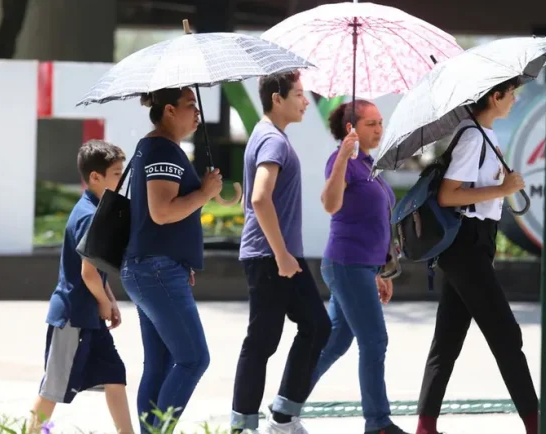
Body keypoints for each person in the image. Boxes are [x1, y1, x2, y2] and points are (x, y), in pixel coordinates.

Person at [415, 78, 538, 434]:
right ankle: (537, 422)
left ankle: (425, 425)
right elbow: (448, 196)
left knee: (449, 337)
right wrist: (503, 187)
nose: (514, 99)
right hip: (466, 245)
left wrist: (502, 185)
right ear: (494, 96)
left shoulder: (485, 135)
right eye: (510, 94)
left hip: (475, 244)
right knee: (506, 334)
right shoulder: (472, 137)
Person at [230, 70, 331, 434]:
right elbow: (259, 197)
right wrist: (282, 255)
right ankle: (244, 426)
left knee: (317, 326)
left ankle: (284, 415)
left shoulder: (269, 136)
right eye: (299, 94)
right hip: (271, 256)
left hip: (279, 255)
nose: (306, 102)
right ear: (277, 98)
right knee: (263, 340)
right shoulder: (272, 140)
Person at [119, 87, 222, 431]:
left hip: (153, 268)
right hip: (156, 270)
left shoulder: (157, 147)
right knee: (194, 359)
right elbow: (162, 212)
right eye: (190, 106)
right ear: (168, 111)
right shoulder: (162, 148)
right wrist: (205, 193)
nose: (197, 114)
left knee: (160, 363)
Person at [308, 100, 411, 434]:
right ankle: (378, 423)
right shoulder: (343, 162)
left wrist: (381, 271)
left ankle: (286, 402)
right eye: (371, 124)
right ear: (350, 128)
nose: (379, 129)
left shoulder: (369, 165)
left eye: (380, 123)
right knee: (374, 341)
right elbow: (330, 204)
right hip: (346, 263)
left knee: (336, 342)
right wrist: (342, 157)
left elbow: (376, 220)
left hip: (363, 268)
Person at [31, 140, 134, 434]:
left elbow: (95, 269)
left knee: (115, 376)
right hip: (74, 316)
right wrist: (104, 302)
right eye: (116, 173)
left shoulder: (97, 209)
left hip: (89, 314)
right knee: (53, 387)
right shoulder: (90, 216)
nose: (122, 178)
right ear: (95, 178)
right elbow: (88, 272)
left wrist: (109, 298)